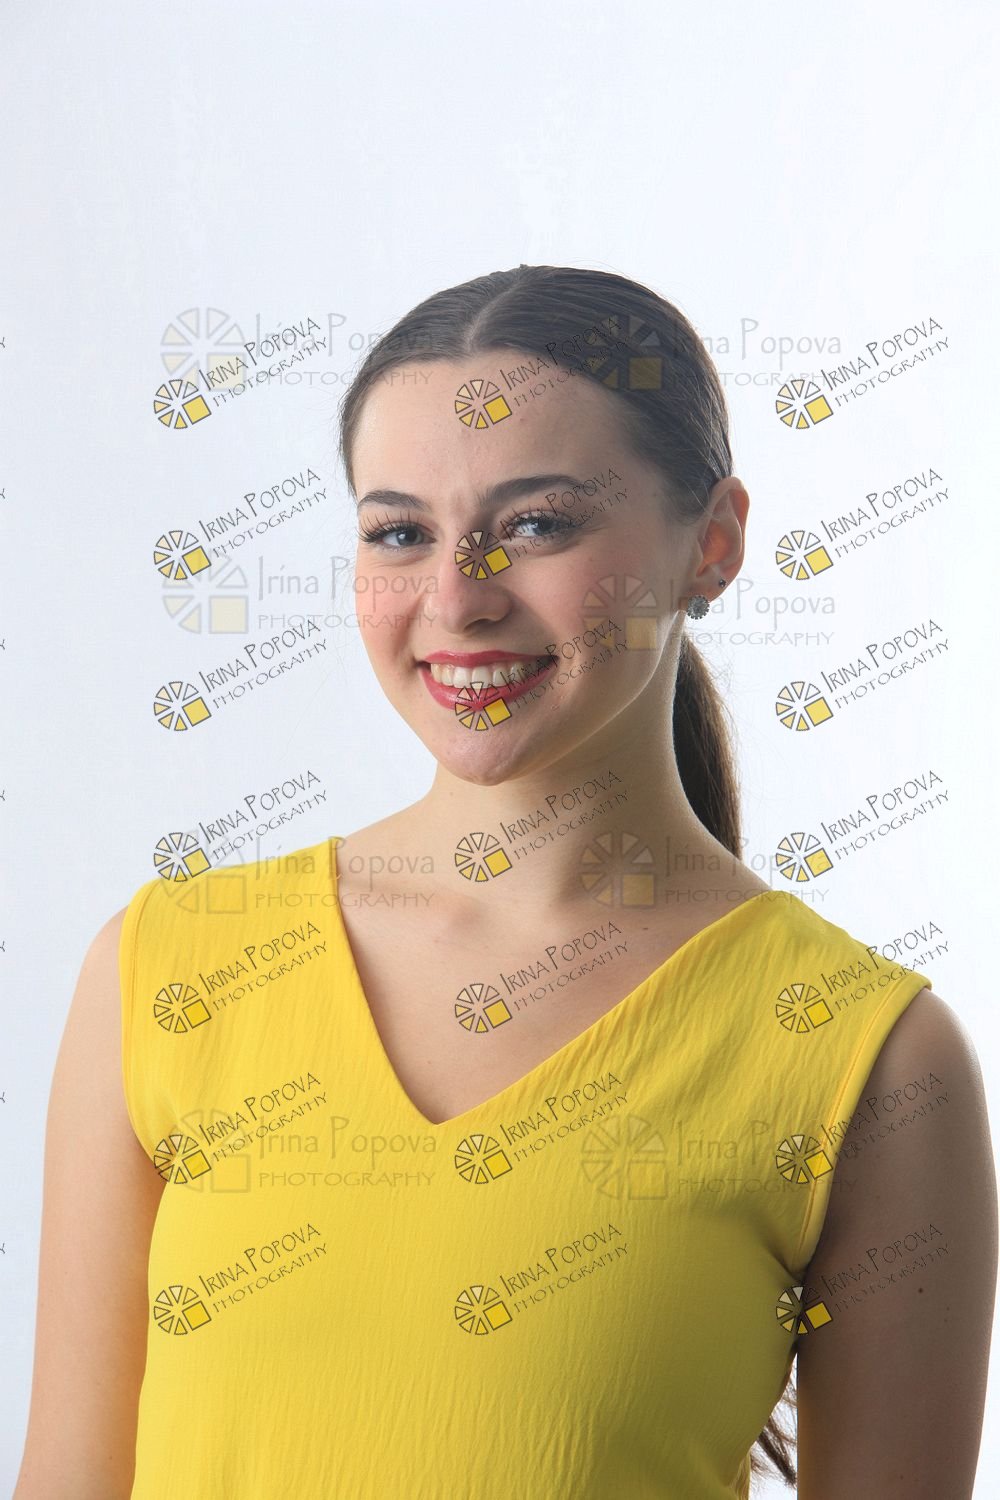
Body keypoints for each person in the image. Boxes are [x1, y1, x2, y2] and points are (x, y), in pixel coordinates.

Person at [15, 265, 996, 1499]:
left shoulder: (870, 1059)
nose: (457, 598)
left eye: (536, 525)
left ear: (713, 543)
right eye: (400, 533)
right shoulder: (170, 968)